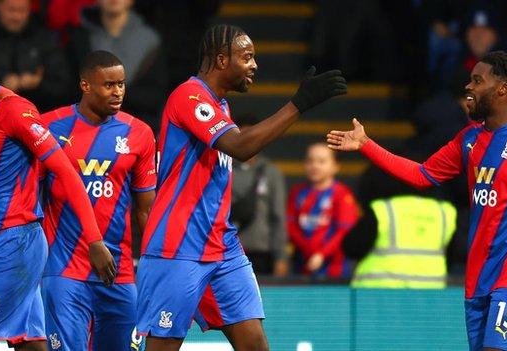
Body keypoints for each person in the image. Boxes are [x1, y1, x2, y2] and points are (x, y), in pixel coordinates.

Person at [327, 51, 507, 351]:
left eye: (477, 81)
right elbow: (421, 175)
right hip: (478, 278)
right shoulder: (469, 139)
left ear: (502, 90)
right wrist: (367, 145)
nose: (469, 87)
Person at [136, 24, 346, 350]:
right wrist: (298, 104)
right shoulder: (188, 97)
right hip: (178, 247)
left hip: (222, 247)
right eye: (247, 57)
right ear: (221, 60)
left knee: (255, 345)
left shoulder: (221, 107)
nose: (254, 65)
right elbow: (240, 146)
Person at [0, 36, 115, 351]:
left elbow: (66, 172)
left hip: (18, 240)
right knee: (31, 344)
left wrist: (94, 240)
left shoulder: (13, 111)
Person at [39, 50, 156, 351]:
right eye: (108, 85)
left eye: (121, 84)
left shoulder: (140, 134)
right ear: (85, 85)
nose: (117, 92)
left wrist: (158, 266)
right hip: (64, 268)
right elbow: (29, 197)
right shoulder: (49, 127)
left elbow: (146, 210)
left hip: (119, 272)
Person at [343, 166, 457, 288]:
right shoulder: (445, 212)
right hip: (429, 294)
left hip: (378, 294)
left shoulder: (382, 210)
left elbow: (352, 248)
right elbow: (453, 254)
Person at [0, 0, 72, 112]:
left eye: (22, 11)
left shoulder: (45, 38)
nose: (17, 17)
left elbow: (65, 86)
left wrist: (38, 84)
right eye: (11, 10)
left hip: (39, 114)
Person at [287, 142, 359, 279]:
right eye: (310, 161)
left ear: (336, 166)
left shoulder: (342, 194)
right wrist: (308, 250)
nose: (315, 166)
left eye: (322, 161)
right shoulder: (297, 192)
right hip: (302, 265)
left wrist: (321, 254)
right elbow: (290, 226)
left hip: (335, 270)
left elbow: (344, 231)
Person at [231, 114, 289, 277]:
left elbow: (278, 217)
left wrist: (281, 257)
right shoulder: (222, 169)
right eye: (243, 137)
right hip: (229, 250)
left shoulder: (271, 172)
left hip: (262, 252)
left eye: (252, 137)